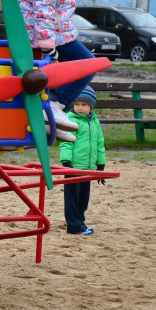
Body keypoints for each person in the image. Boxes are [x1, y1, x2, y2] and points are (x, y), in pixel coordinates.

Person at [13, 0, 95, 143]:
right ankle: (54, 108)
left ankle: (51, 115)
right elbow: (44, 5)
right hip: (49, 34)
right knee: (87, 64)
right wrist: (47, 42)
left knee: (57, 72)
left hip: (52, 32)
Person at [59, 86, 106, 236]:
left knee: (83, 198)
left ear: (91, 106)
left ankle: (80, 223)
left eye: (84, 105)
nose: (79, 108)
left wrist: (100, 165)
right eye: (77, 104)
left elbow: (99, 144)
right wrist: (66, 163)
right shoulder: (69, 120)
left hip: (88, 167)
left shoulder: (95, 123)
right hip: (74, 166)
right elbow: (66, 142)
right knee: (72, 197)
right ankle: (74, 226)